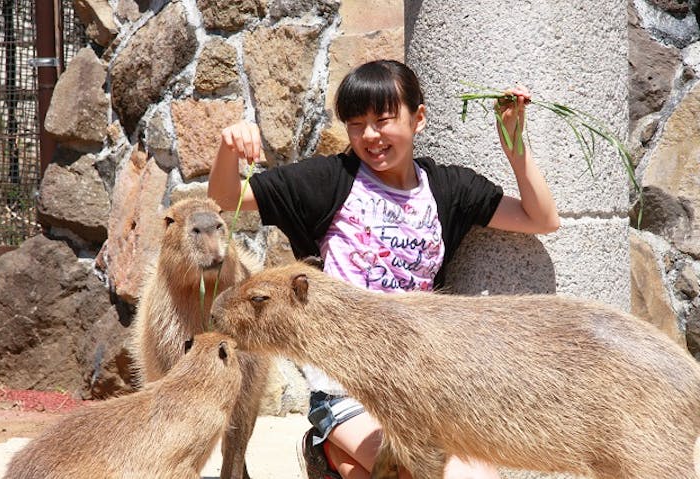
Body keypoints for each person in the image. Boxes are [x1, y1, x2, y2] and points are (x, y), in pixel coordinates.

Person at [208, 59, 559, 479]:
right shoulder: (329, 180)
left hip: (426, 388)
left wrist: (515, 147)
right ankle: (330, 445)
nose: (370, 136)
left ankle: (332, 461)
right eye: (356, 124)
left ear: (419, 118)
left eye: (384, 120)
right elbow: (227, 198)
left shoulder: (447, 189)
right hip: (347, 391)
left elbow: (541, 219)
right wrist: (230, 147)